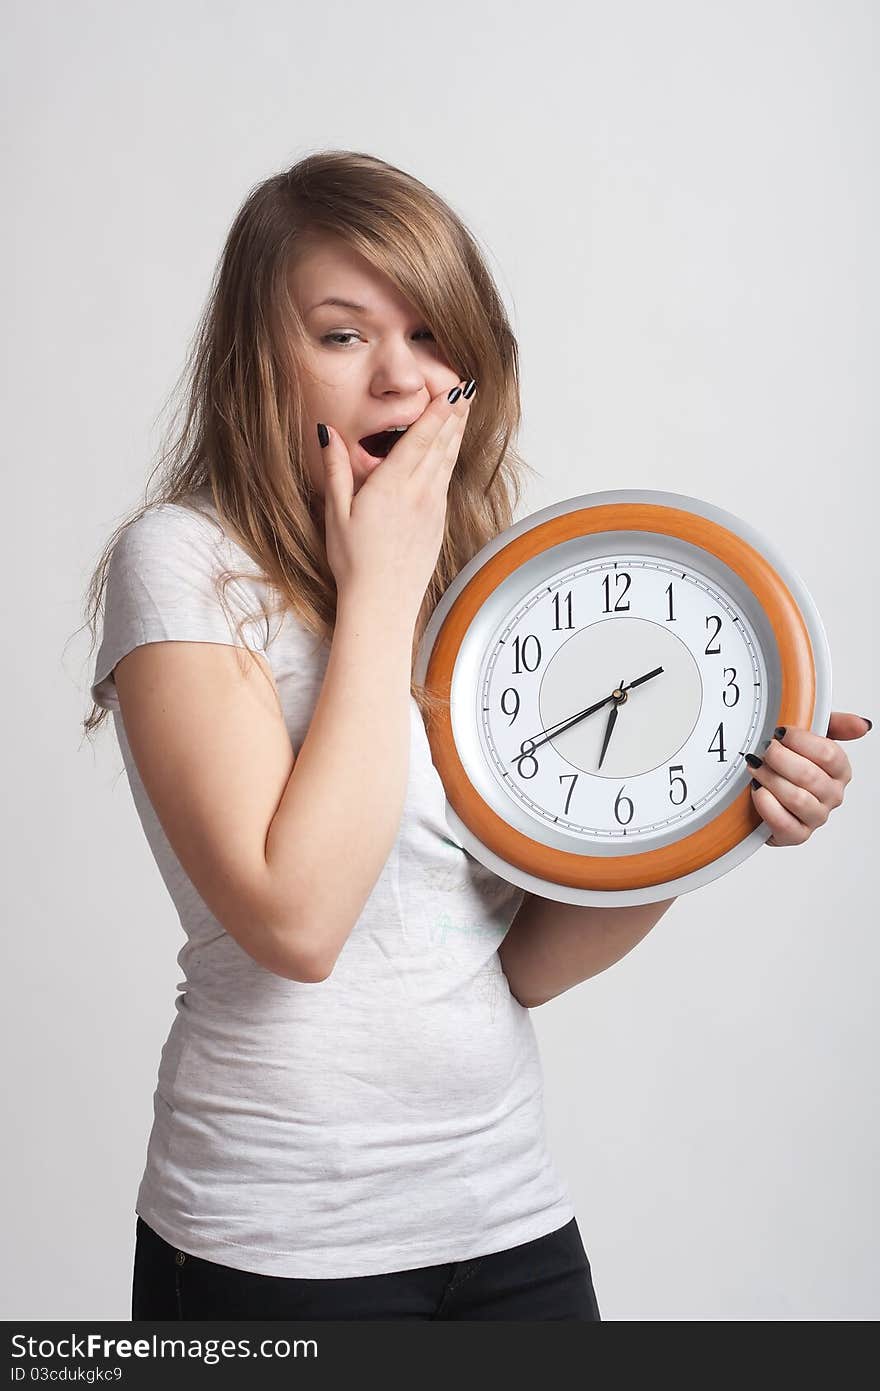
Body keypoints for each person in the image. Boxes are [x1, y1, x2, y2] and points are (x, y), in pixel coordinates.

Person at [83, 149, 603, 1321]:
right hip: (277, 1246)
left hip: (508, 1214)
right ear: (257, 361)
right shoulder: (183, 563)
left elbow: (517, 958)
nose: (401, 379)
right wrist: (376, 597)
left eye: (431, 336)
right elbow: (296, 921)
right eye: (342, 334)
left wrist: (708, 824)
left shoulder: (471, 590)